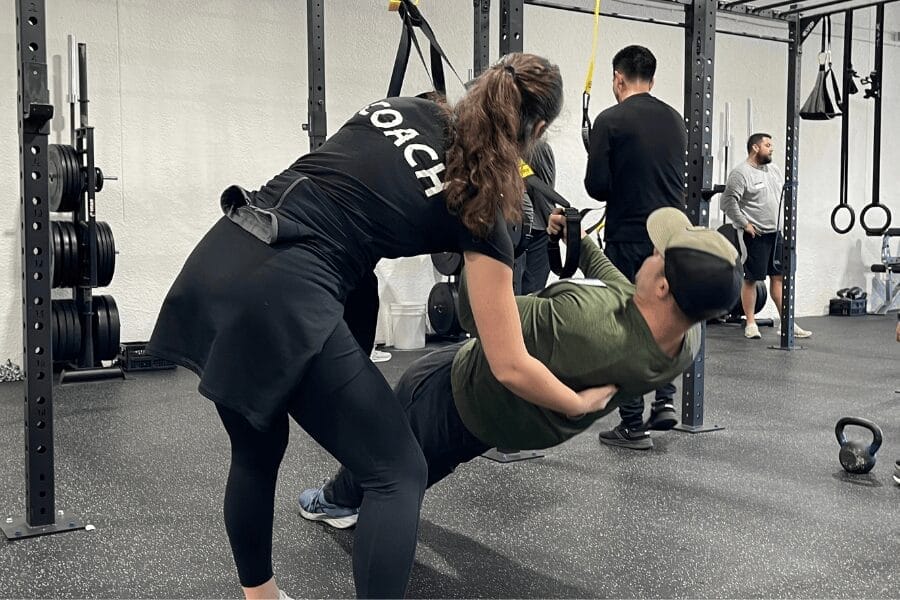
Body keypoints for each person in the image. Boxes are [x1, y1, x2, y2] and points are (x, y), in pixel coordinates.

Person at [146, 53, 618, 600]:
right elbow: (509, 363)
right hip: (287, 291)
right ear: (536, 131)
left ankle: (262, 597)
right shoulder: (482, 211)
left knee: (255, 449)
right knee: (397, 473)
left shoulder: (399, 108)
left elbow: (379, 190)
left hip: (225, 249)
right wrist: (576, 404)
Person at [297, 207, 743, 528]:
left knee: (390, 451)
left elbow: (483, 315)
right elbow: (622, 288)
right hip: (518, 423)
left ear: (663, 285)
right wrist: (580, 241)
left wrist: (484, 237)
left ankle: (337, 503)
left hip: (466, 391)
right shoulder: (687, 337)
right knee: (438, 456)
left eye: (658, 255)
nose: (649, 254)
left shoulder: (583, 320)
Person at [583, 45, 687, 450]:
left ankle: (632, 426)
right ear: (653, 80)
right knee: (668, 316)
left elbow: (598, 187)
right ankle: (664, 400)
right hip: (670, 234)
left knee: (630, 325)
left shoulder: (609, 120)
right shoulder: (675, 119)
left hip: (628, 234)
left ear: (618, 78)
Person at [720, 133, 812, 341]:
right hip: (755, 234)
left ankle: (786, 323)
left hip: (776, 234)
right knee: (751, 279)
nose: (771, 149)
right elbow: (727, 203)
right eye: (767, 145)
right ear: (755, 147)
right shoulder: (741, 173)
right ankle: (750, 323)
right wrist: (745, 224)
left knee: (779, 278)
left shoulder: (774, 170)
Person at [513, 140, 557, 294]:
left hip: (520, 231)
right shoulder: (536, 146)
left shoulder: (535, 146)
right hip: (531, 233)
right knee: (529, 299)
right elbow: (546, 197)